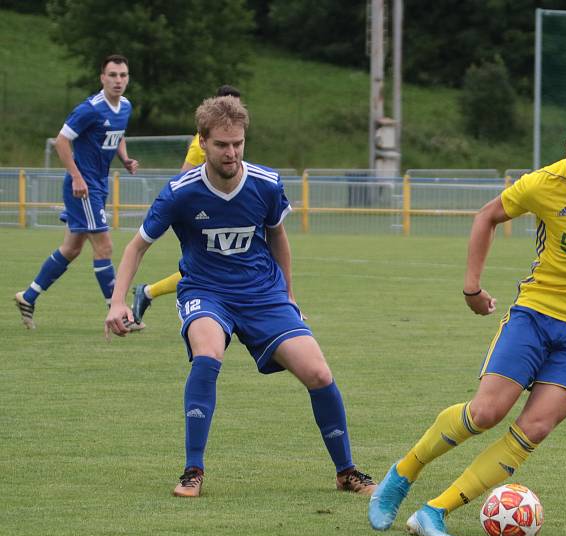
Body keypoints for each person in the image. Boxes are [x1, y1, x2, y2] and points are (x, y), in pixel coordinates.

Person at [368, 109, 566, 536]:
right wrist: (472, 288)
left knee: (534, 427)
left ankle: (434, 512)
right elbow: (486, 216)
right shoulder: (542, 184)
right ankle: (401, 475)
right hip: (534, 317)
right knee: (486, 413)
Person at [104, 95, 376, 498]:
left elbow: (278, 237)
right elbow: (136, 247)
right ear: (203, 142)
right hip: (206, 292)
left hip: (264, 295)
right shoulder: (181, 192)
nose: (231, 152)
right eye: (221, 145)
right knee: (208, 352)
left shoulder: (266, 184)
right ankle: (192, 470)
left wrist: (289, 295)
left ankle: (346, 471)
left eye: (238, 143)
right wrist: (117, 301)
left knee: (319, 373)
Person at [14, 54, 140, 330]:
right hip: (84, 187)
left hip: (99, 185)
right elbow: (61, 141)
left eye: (123, 75)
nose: (118, 80)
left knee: (71, 248)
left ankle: (28, 296)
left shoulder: (125, 107)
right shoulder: (90, 109)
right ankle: (118, 313)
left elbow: (117, 136)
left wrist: (125, 159)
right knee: (104, 246)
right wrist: (76, 177)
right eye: (113, 75)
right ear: (102, 78)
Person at [130, 85, 242, 324]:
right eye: (226, 104)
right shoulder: (198, 144)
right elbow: (184, 178)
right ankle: (151, 293)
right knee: (204, 271)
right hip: (205, 218)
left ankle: (148, 292)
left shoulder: (234, 138)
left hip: (227, 214)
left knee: (217, 270)